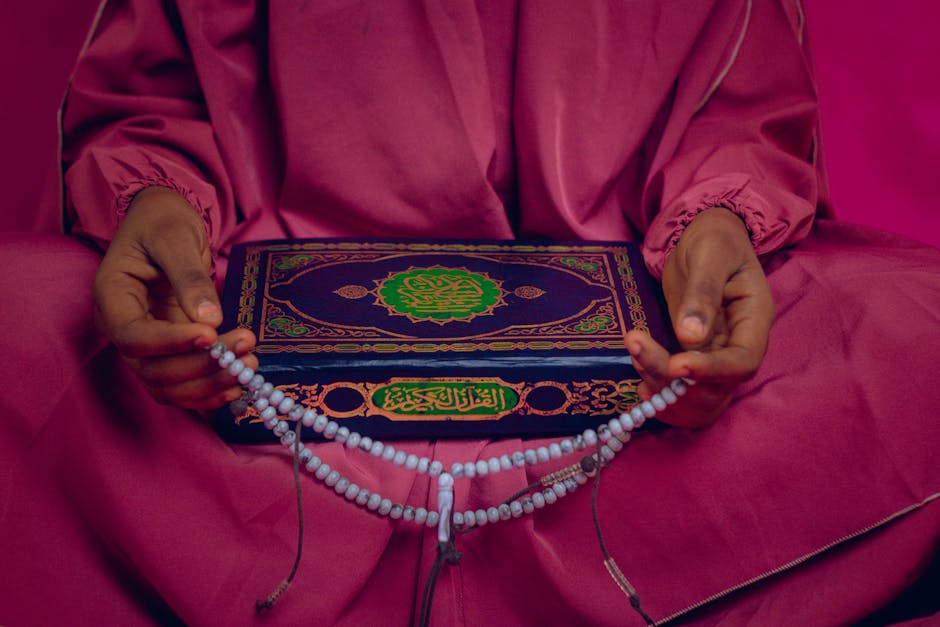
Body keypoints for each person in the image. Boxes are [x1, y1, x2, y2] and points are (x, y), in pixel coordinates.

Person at [2, 0, 938, 625]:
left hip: (632, 376)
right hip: (256, 366)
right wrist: (158, 206)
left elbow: (737, 109)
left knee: (915, 339)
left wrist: (720, 221)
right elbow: (159, 96)